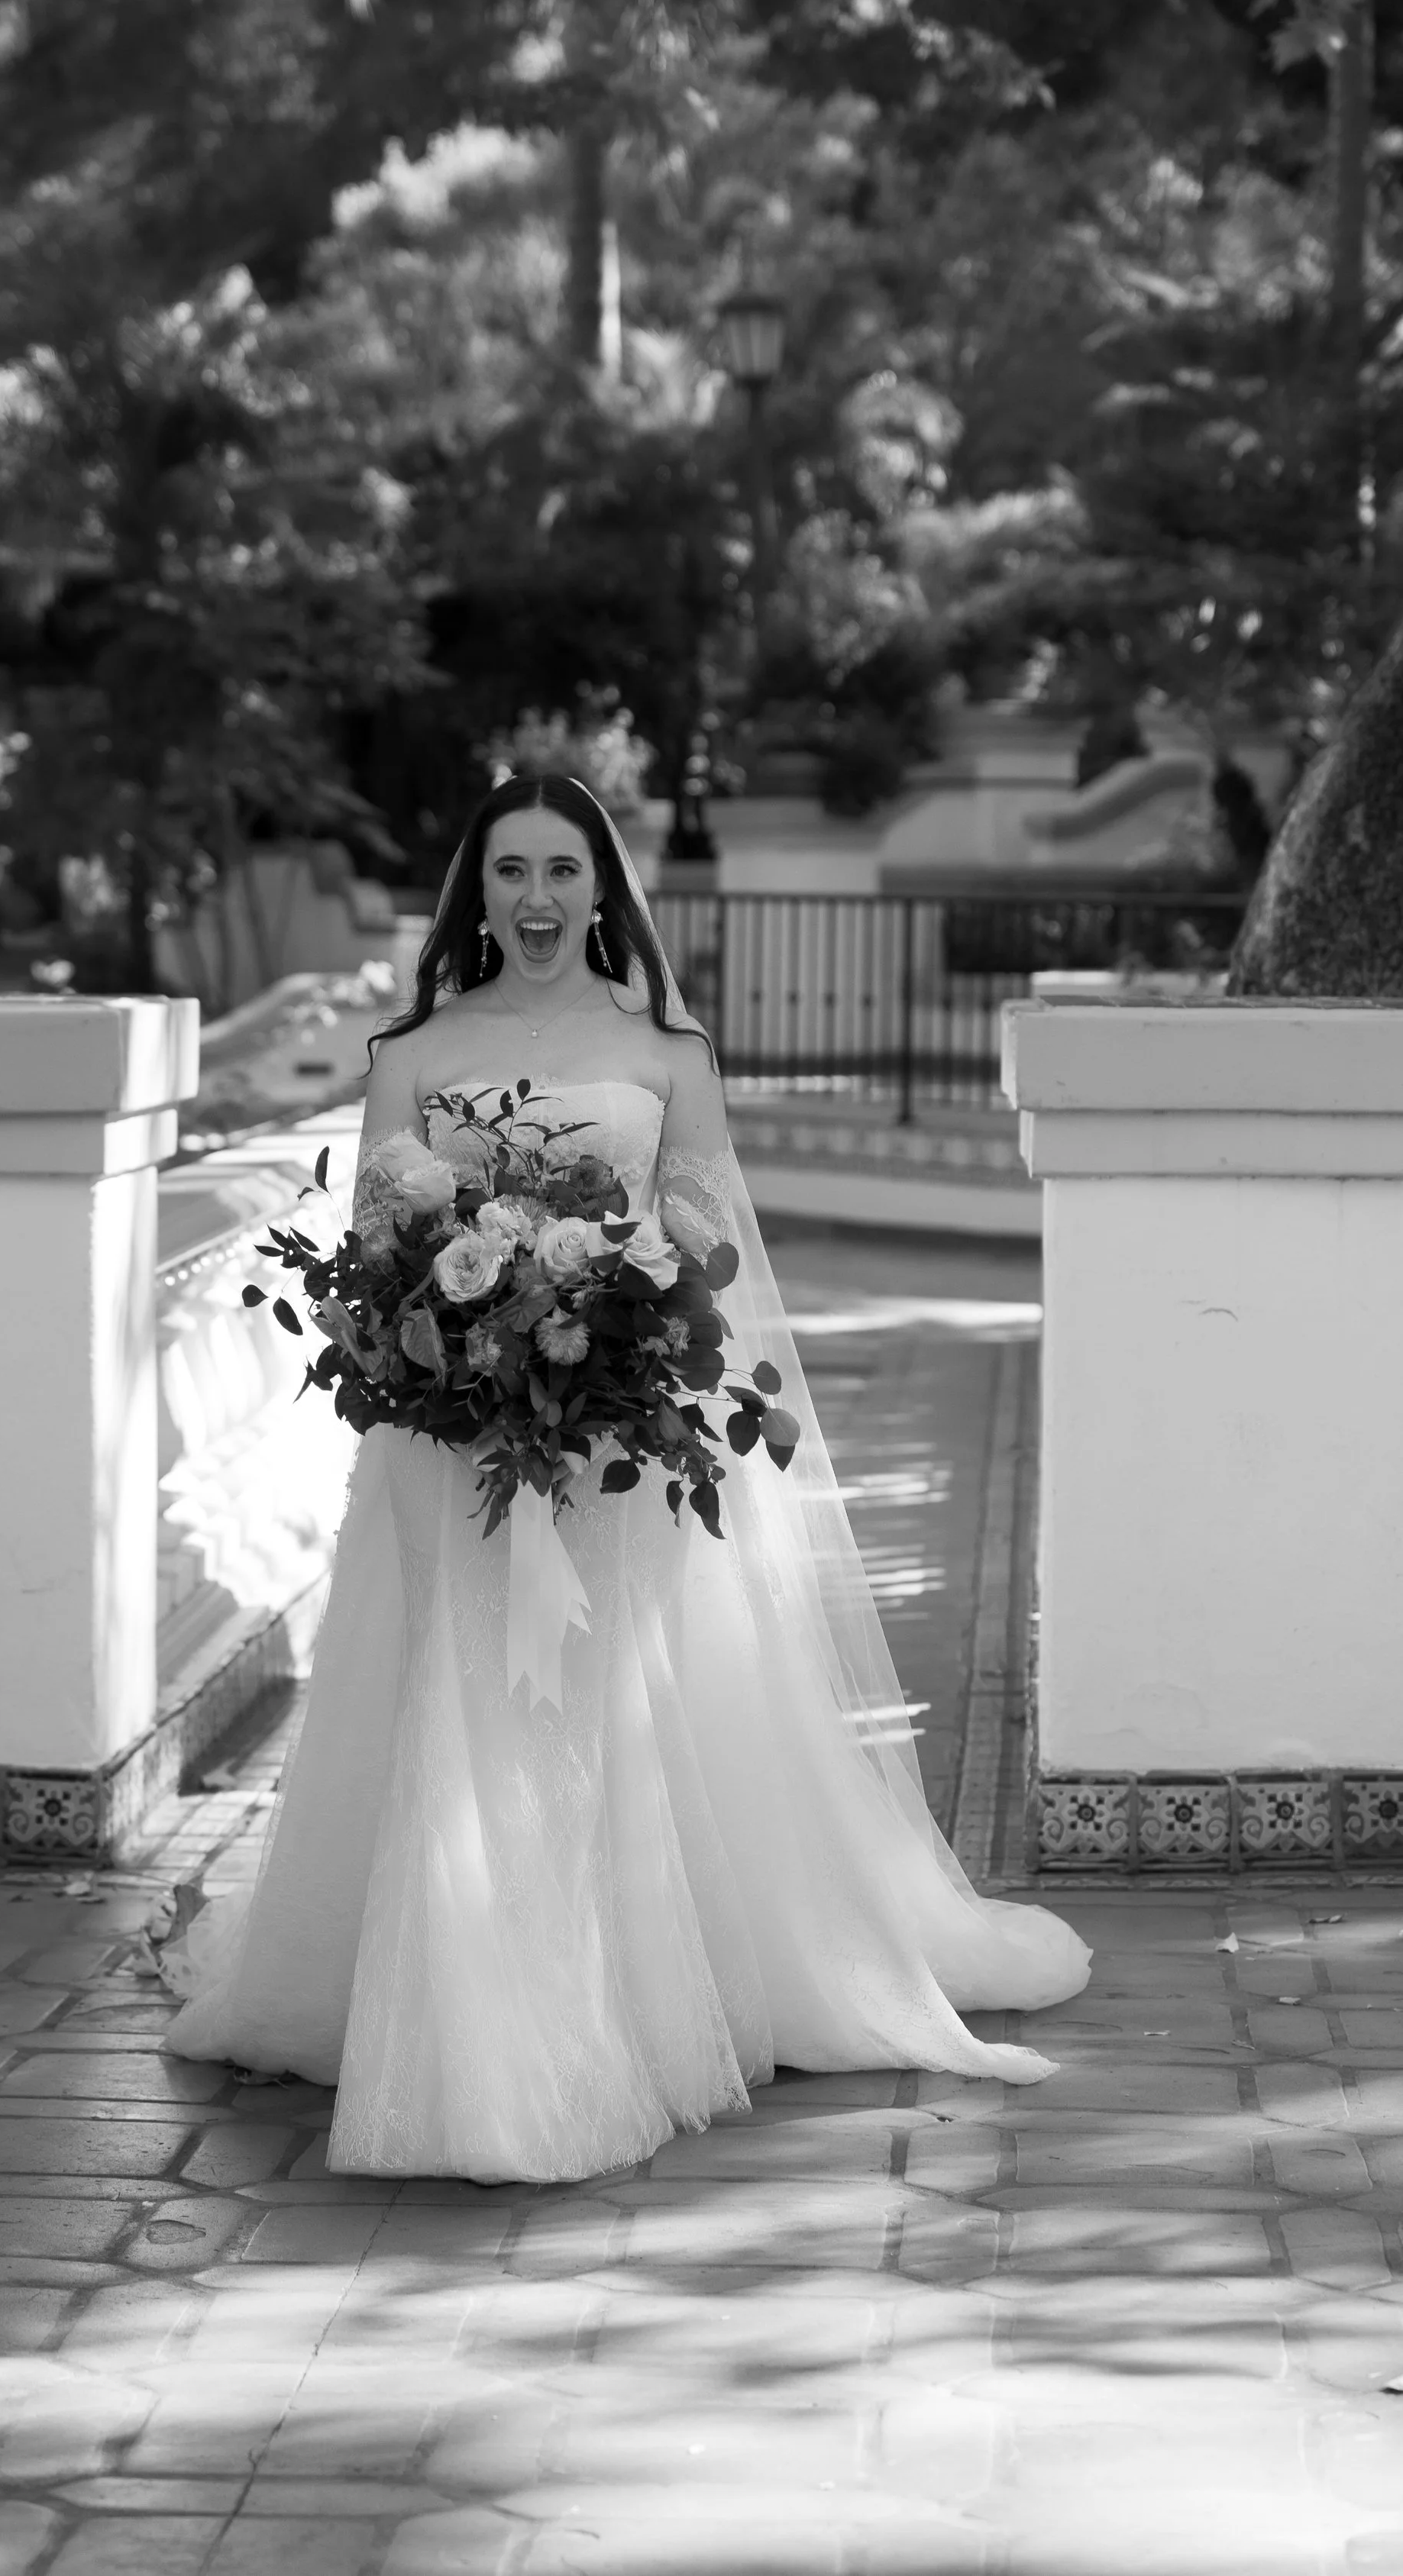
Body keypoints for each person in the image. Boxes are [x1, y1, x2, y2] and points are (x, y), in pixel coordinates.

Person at [163, 773, 1089, 2184]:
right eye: (511, 870)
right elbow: (369, 1246)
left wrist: (616, 1299)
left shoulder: (666, 1049)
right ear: (477, 889)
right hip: (447, 1449)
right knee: (457, 1705)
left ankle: (611, 2009)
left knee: (598, 1707)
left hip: (612, 1445)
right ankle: (467, 2025)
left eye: (562, 870)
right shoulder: (415, 1048)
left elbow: (712, 1243)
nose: (536, 898)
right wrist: (458, 1326)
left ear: (604, 889)